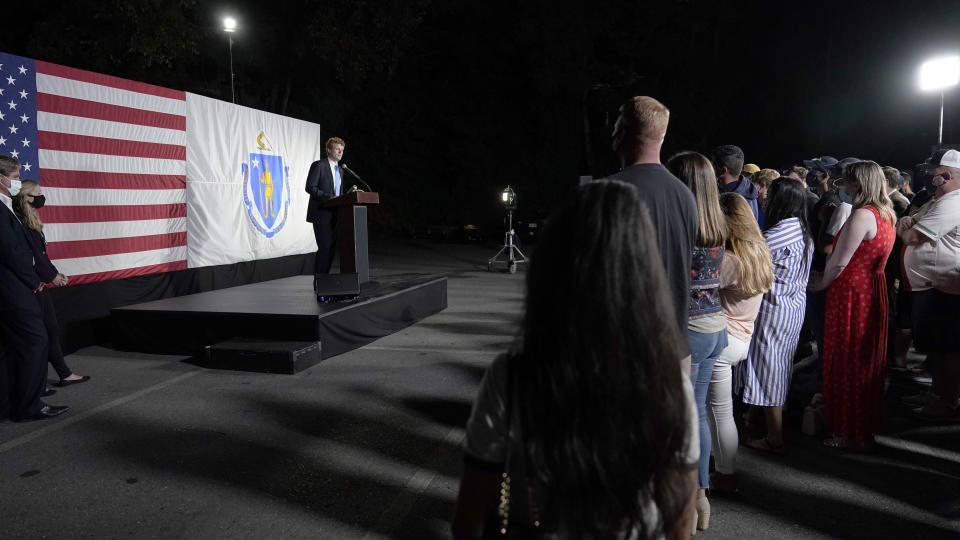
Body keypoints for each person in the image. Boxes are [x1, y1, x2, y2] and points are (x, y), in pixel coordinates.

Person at [452, 180, 697, 539]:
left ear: (553, 267)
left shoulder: (511, 378)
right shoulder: (672, 388)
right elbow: (679, 524)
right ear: (646, 276)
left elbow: (469, 520)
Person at [809, 161, 896, 449]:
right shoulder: (887, 214)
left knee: (847, 360)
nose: (844, 187)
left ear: (859, 183)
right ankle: (860, 427)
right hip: (874, 290)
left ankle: (849, 432)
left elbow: (840, 260)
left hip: (852, 292)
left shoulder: (862, 215)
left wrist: (820, 283)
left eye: (848, 182)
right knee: (865, 362)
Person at [605, 96, 699, 360]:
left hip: (627, 351)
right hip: (675, 349)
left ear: (622, 131)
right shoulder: (685, 196)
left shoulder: (608, 192)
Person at [666, 151, 726, 531]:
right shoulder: (718, 220)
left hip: (687, 331)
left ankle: (681, 505)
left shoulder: (679, 223)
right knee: (698, 417)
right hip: (715, 326)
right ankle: (701, 499)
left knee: (677, 423)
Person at [707, 192, 773, 491]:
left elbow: (697, 286)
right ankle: (720, 467)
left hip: (722, 338)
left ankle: (726, 474)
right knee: (718, 411)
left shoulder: (729, 260)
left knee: (718, 412)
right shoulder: (759, 252)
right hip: (742, 336)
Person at [742, 178, 813, 452]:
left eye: (770, 195)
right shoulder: (801, 228)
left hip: (773, 310)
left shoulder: (776, 234)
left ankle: (775, 437)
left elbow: (750, 266)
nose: (765, 199)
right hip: (793, 308)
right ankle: (753, 416)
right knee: (774, 367)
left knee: (770, 370)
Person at [0, 155, 68, 421]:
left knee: (11, 346)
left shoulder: (7, 206)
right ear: (2, 178)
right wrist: (33, 281)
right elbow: (11, 252)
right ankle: (30, 405)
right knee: (35, 341)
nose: (17, 182)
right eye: (16, 178)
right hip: (13, 287)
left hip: (15, 285)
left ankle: (9, 404)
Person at [898, 149, 960, 421]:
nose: (927, 176)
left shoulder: (952, 202)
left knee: (945, 351)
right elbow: (912, 219)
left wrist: (903, 226)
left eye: (932, 172)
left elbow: (911, 235)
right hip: (933, 285)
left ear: (946, 174)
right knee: (937, 349)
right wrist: (907, 223)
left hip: (941, 287)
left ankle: (944, 401)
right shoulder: (942, 199)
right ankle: (937, 395)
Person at [13, 180, 89, 387]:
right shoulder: (20, 220)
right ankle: (37, 383)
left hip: (39, 282)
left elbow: (42, 254)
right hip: (30, 285)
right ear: (27, 197)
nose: (41, 196)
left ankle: (60, 375)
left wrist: (54, 273)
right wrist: (50, 276)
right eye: (37, 193)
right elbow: (31, 256)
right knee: (39, 334)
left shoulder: (30, 219)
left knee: (50, 330)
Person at [305, 137, 346, 275]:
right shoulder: (319, 165)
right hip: (321, 213)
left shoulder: (340, 170)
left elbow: (338, 193)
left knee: (332, 249)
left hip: (335, 215)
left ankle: (326, 279)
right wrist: (328, 197)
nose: (340, 152)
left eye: (342, 150)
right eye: (337, 149)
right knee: (325, 248)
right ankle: (319, 281)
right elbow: (310, 187)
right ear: (328, 150)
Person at [712, 145, 760, 224]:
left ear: (723, 170)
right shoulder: (749, 190)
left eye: (713, 164)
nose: (710, 167)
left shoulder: (731, 202)